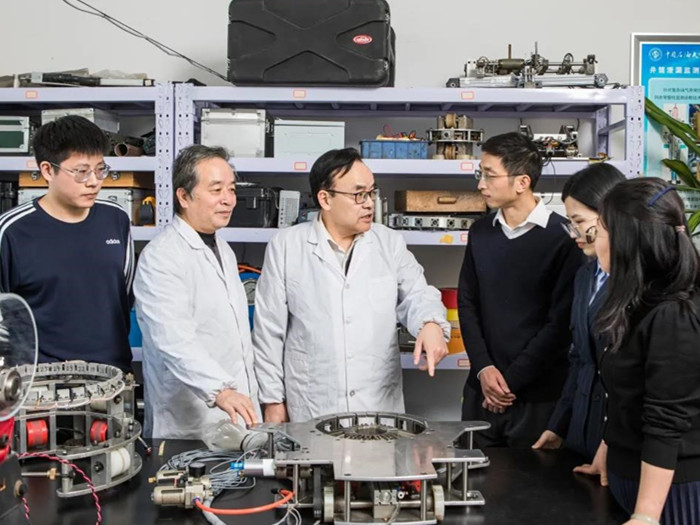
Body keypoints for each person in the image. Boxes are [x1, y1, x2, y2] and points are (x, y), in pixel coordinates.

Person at [253, 147, 450, 423]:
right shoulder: (287, 246)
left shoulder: (388, 243)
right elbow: (268, 330)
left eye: (371, 192)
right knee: (314, 450)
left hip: (377, 405)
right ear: (325, 199)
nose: (369, 203)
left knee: (378, 449)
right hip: (313, 403)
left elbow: (418, 294)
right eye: (359, 195)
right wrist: (273, 400)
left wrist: (430, 324)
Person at [458, 132, 585, 448]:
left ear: (522, 182)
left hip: (538, 399)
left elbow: (560, 325)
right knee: (474, 476)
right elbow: (467, 303)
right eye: (480, 174)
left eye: (490, 175)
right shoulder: (480, 232)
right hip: (481, 392)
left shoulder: (563, 238)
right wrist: (484, 369)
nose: (481, 184)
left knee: (534, 479)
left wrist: (508, 384)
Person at [587, 178, 700, 525]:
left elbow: (666, 420)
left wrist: (646, 516)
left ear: (626, 241)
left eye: (599, 231)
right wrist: (609, 447)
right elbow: (630, 392)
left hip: (672, 496)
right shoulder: (639, 300)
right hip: (628, 477)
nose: (593, 241)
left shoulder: (674, 315)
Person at [134, 145, 259, 439]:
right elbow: (173, 339)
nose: (228, 199)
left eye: (231, 189)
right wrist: (220, 390)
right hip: (188, 423)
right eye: (216, 190)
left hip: (236, 412)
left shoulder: (222, 249)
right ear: (184, 196)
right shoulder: (162, 257)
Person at [0, 115, 133, 370]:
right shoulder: (11, 231)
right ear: (48, 170)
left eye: (100, 169)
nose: (94, 181)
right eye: (81, 172)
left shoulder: (116, 219)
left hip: (112, 376)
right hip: (41, 380)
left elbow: (124, 297)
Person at [532, 164, 625, 462]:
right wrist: (558, 425)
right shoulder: (585, 276)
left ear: (610, 216)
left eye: (579, 221)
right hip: (581, 432)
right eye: (570, 222)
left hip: (617, 441)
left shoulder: (637, 282)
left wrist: (611, 442)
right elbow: (579, 359)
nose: (574, 233)